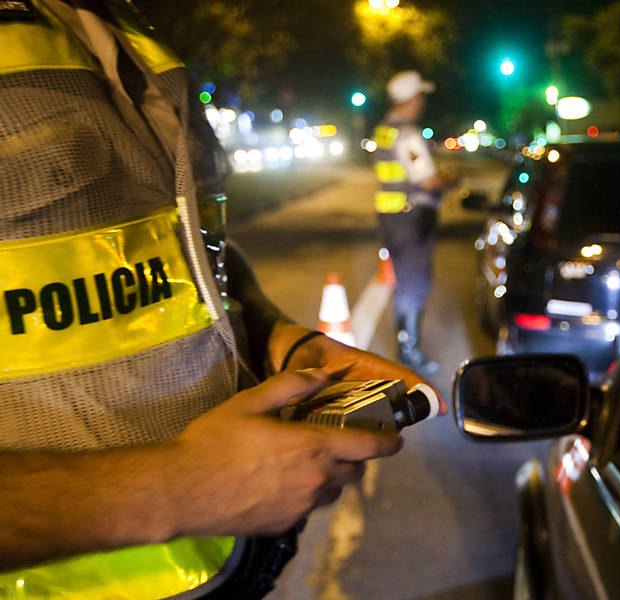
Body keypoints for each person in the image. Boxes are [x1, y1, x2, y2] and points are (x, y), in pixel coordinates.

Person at [0, 1, 442, 597]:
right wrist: (176, 488)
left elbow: (185, 249)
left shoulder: (123, 33)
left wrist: (274, 336)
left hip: (227, 570)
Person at [370, 70, 457, 375]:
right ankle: (408, 351)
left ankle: (406, 345)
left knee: (405, 282)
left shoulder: (384, 130)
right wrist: (449, 179)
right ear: (412, 99)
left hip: (391, 216)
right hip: (411, 219)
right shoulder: (407, 134)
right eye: (420, 96)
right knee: (414, 285)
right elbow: (428, 180)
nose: (422, 102)